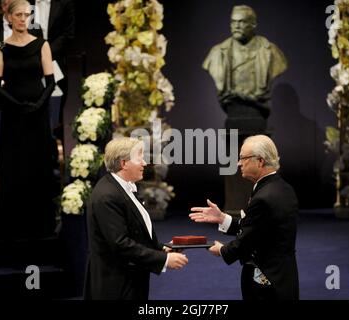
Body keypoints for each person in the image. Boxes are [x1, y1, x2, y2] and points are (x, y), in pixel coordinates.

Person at [190, 135, 299, 300]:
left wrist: (222, 250)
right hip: (283, 277)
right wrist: (222, 218)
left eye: (243, 158)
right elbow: (258, 227)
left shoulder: (264, 197)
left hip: (266, 283)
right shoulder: (283, 188)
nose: (238, 163)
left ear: (260, 161)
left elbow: (246, 241)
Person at [203, 5, 289, 214]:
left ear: (253, 25)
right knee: (233, 163)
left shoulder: (269, 52)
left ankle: (260, 207)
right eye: (233, 22)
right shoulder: (218, 53)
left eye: (242, 22)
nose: (236, 26)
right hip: (234, 118)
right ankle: (234, 206)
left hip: (258, 119)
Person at [84, 137, 188, 300]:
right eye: (139, 157)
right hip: (116, 286)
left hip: (129, 279)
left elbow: (134, 232)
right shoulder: (107, 195)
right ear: (124, 163)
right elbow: (120, 244)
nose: (144, 163)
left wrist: (161, 248)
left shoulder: (121, 187)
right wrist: (164, 259)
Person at [0, 0, 56, 239]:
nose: (23, 19)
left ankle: (41, 225)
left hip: (37, 114)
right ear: (9, 18)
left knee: (38, 164)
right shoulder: (0, 45)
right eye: (19, 15)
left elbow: (50, 82)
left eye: (27, 14)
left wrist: (38, 105)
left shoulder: (42, 44)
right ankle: (12, 226)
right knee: (14, 166)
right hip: (13, 114)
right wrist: (16, 105)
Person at [28, 0, 75, 140]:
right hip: (30, 62)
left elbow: (68, 34)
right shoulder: (26, 3)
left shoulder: (65, 3)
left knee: (56, 107)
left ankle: (56, 144)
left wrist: (46, 52)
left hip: (56, 60)